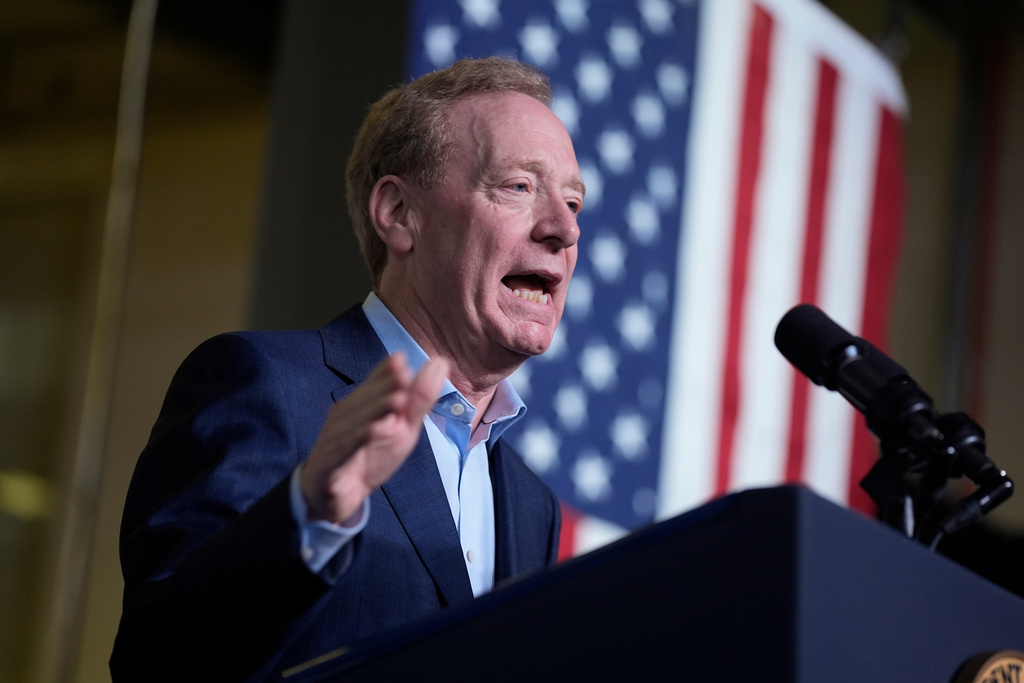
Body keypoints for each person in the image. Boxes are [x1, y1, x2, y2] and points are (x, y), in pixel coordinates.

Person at [111, 56, 585, 682]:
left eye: (574, 201)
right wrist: (309, 511)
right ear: (398, 214)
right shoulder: (266, 385)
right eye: (519, 187)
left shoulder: (532, 503)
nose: (563, 229)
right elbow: (155, 657)